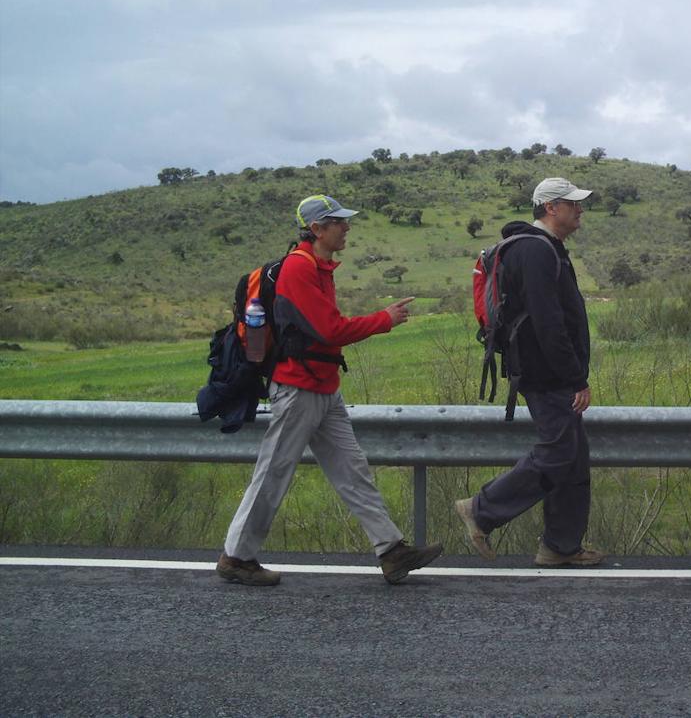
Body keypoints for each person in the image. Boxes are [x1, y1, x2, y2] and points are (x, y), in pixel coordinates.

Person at [217, 194, 443, 586]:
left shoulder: (319, 267)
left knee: (352, 471)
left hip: (321, 385)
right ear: (317, 229)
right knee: (274, 472)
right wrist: (384, 319)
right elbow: (329, 330)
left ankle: (391, 550)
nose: (346, 227)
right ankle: (237, 557)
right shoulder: (298, 269)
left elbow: (325, 330)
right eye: (338, 222)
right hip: (300, 388)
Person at [455, 177, 604, 568]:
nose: (580, 210)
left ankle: (560, 545)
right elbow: (548, 322)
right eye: (573, 204)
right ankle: (481, 510)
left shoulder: (542, 248)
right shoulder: (536, 251)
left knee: (573, 457)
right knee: (558, 453)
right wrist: (575, 378)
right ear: (551, 207)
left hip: (543, 369)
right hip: (546, 373)